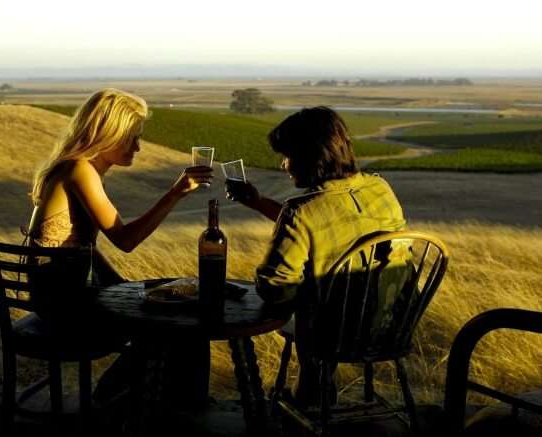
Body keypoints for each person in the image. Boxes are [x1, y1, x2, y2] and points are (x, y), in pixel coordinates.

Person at [225, 106, 406, 407]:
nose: (284, 165)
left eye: (288, 155)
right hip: (389, 323)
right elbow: (325, 225)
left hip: (331, 335)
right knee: (328, 300)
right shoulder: (380, 188)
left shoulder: (301, 211)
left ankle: (310, 401)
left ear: (310, 157)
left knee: (312, 311)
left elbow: (275, 287)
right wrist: (258, 203)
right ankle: (315, 397)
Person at [27, 88, 212, 283]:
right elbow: (126, 240)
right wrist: (174, 194)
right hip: (60, 299)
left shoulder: (78, 168)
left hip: (58, 289)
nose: (137, 147)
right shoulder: (80, 170)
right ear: (107, 135)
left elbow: (84, 247)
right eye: (130, 138)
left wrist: (121, 284)